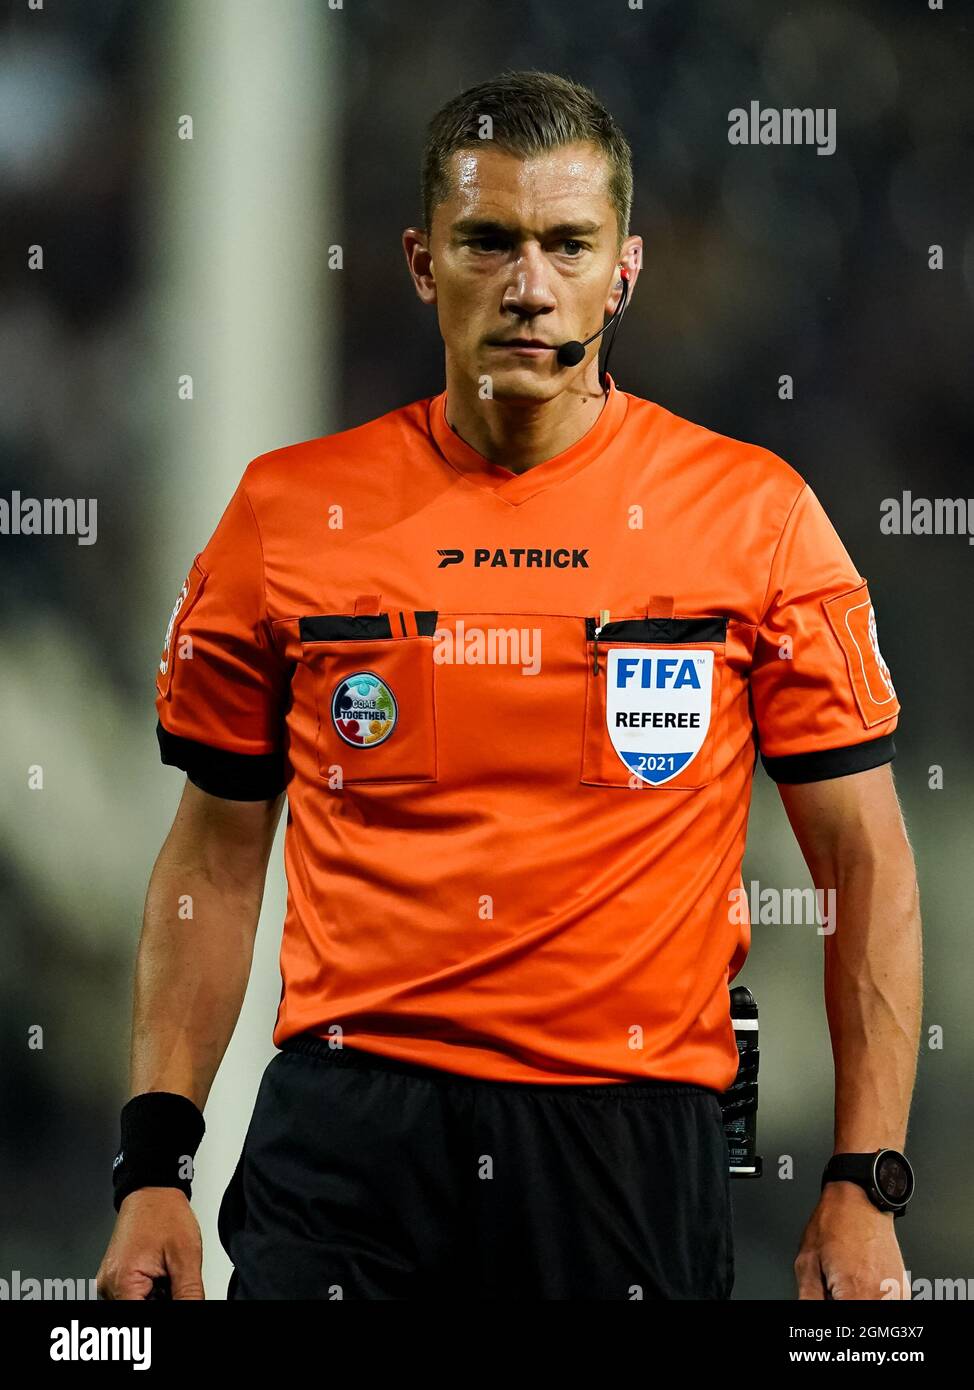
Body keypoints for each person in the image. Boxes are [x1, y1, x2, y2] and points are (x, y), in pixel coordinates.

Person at [96, 69, 921, 1301]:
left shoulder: (754, 520)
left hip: (628, 1140)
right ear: (423, 263)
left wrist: (864, 1182)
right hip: (350, 1139)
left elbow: (864, 862)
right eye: (489, 240)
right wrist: (154, 1164)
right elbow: (212, 863)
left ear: (621, 270)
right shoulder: (287, 516)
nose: (528, 284)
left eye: (566, 244)